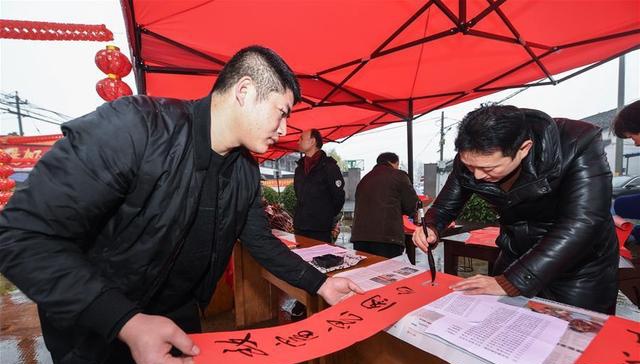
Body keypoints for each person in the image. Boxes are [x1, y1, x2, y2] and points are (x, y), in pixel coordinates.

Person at [0, 46, 363, 364]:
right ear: (245, 91)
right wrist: (124, 320)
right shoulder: (135, 127)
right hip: (97, 322)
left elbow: (261, 241)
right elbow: (21, 236)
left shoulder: (245, 172)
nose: (284, 129)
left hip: (176, 319)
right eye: (281, 112)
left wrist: (320, 284)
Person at [413, 104, 619, 314]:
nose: (476, 176)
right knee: (502, 323)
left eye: (488, 169)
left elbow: (583, 222)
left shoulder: (578, 142)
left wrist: (512, 281)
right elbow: (447, 205)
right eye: (470, 167)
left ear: (524, 149)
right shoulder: (475, 156)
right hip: (516, 253)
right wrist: (431, 226)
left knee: (573, 334)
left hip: (578, 266)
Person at [350, 152, 419, 258]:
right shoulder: (399, 175)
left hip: (360, 238)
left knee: (366, 272)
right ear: (394, 163)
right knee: (387, 272)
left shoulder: (364, 179)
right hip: (387, 237)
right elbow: (412, 206)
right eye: (398, 165)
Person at [293, 128, 345, 243]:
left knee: (320, 259)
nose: (298, 141)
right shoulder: (299, 168)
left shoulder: (329, 167)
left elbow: (339, 197)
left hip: (320, 228)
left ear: (312, 141)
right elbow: (298, 194)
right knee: (299, 258)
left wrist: (325, 215)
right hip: (300, 226)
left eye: (301, 138)